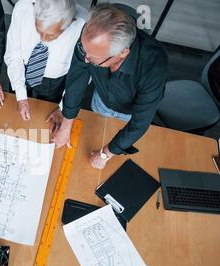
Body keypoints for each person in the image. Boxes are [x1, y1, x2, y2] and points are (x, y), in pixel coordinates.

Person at [48, 3, 168, 169]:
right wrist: (66, 125)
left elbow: (139, 123)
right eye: (84, 51)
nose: (85, 58)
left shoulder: (154, 65)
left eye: (93, 59)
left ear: (122, 53)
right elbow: (77, 78)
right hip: (101, 99)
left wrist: (106, 154)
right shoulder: (91, 38)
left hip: (128, 114)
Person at [4, 0, 87, 121]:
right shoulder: (23, 8)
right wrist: (21, 96)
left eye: (51, 35)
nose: (43, 39)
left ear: (71, 21)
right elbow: (14, 54)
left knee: (44, 115)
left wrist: (62, 108)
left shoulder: (83, 25)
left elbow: (79, 76)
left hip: (54, 81)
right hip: (21, 68)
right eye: (38, 30)